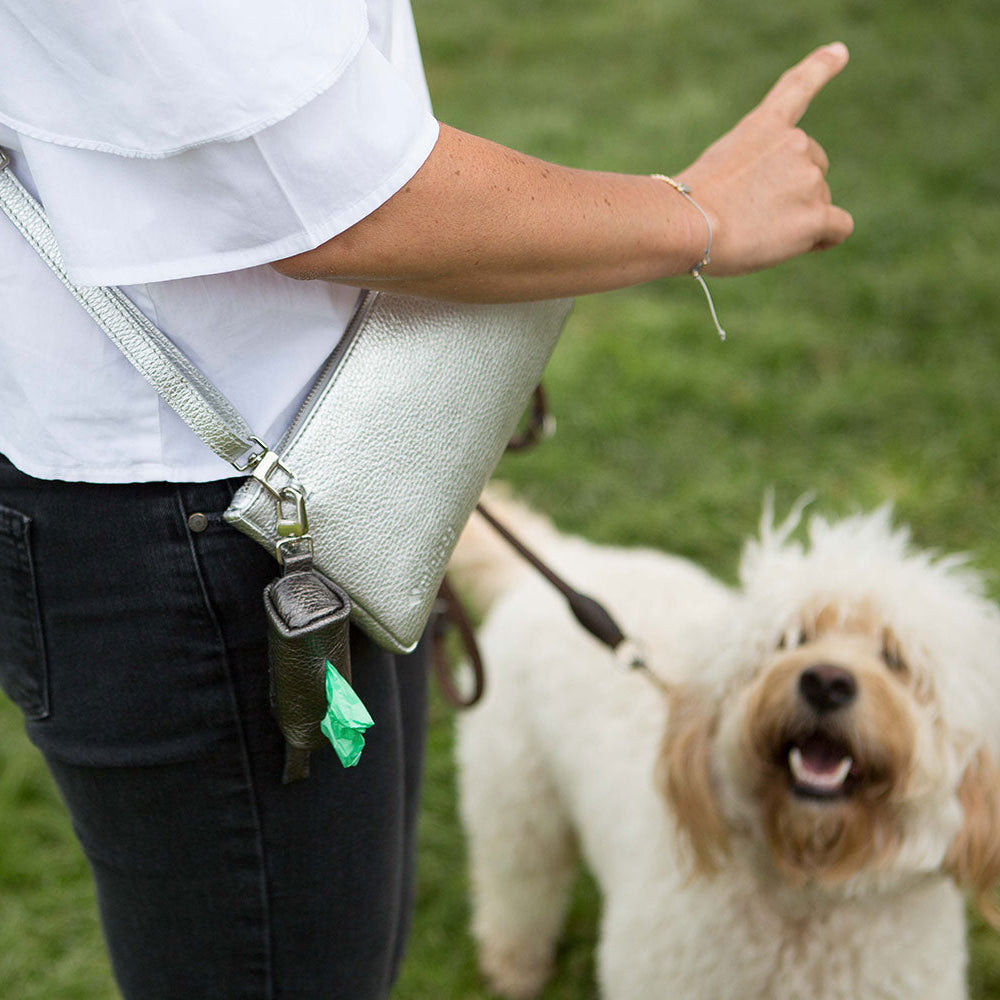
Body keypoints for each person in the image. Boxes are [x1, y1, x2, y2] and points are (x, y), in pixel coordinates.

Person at [0, 1, 852, 997]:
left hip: (321, 488)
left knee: (338, 952)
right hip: (201, 532)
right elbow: (334, 199)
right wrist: (698, 214)